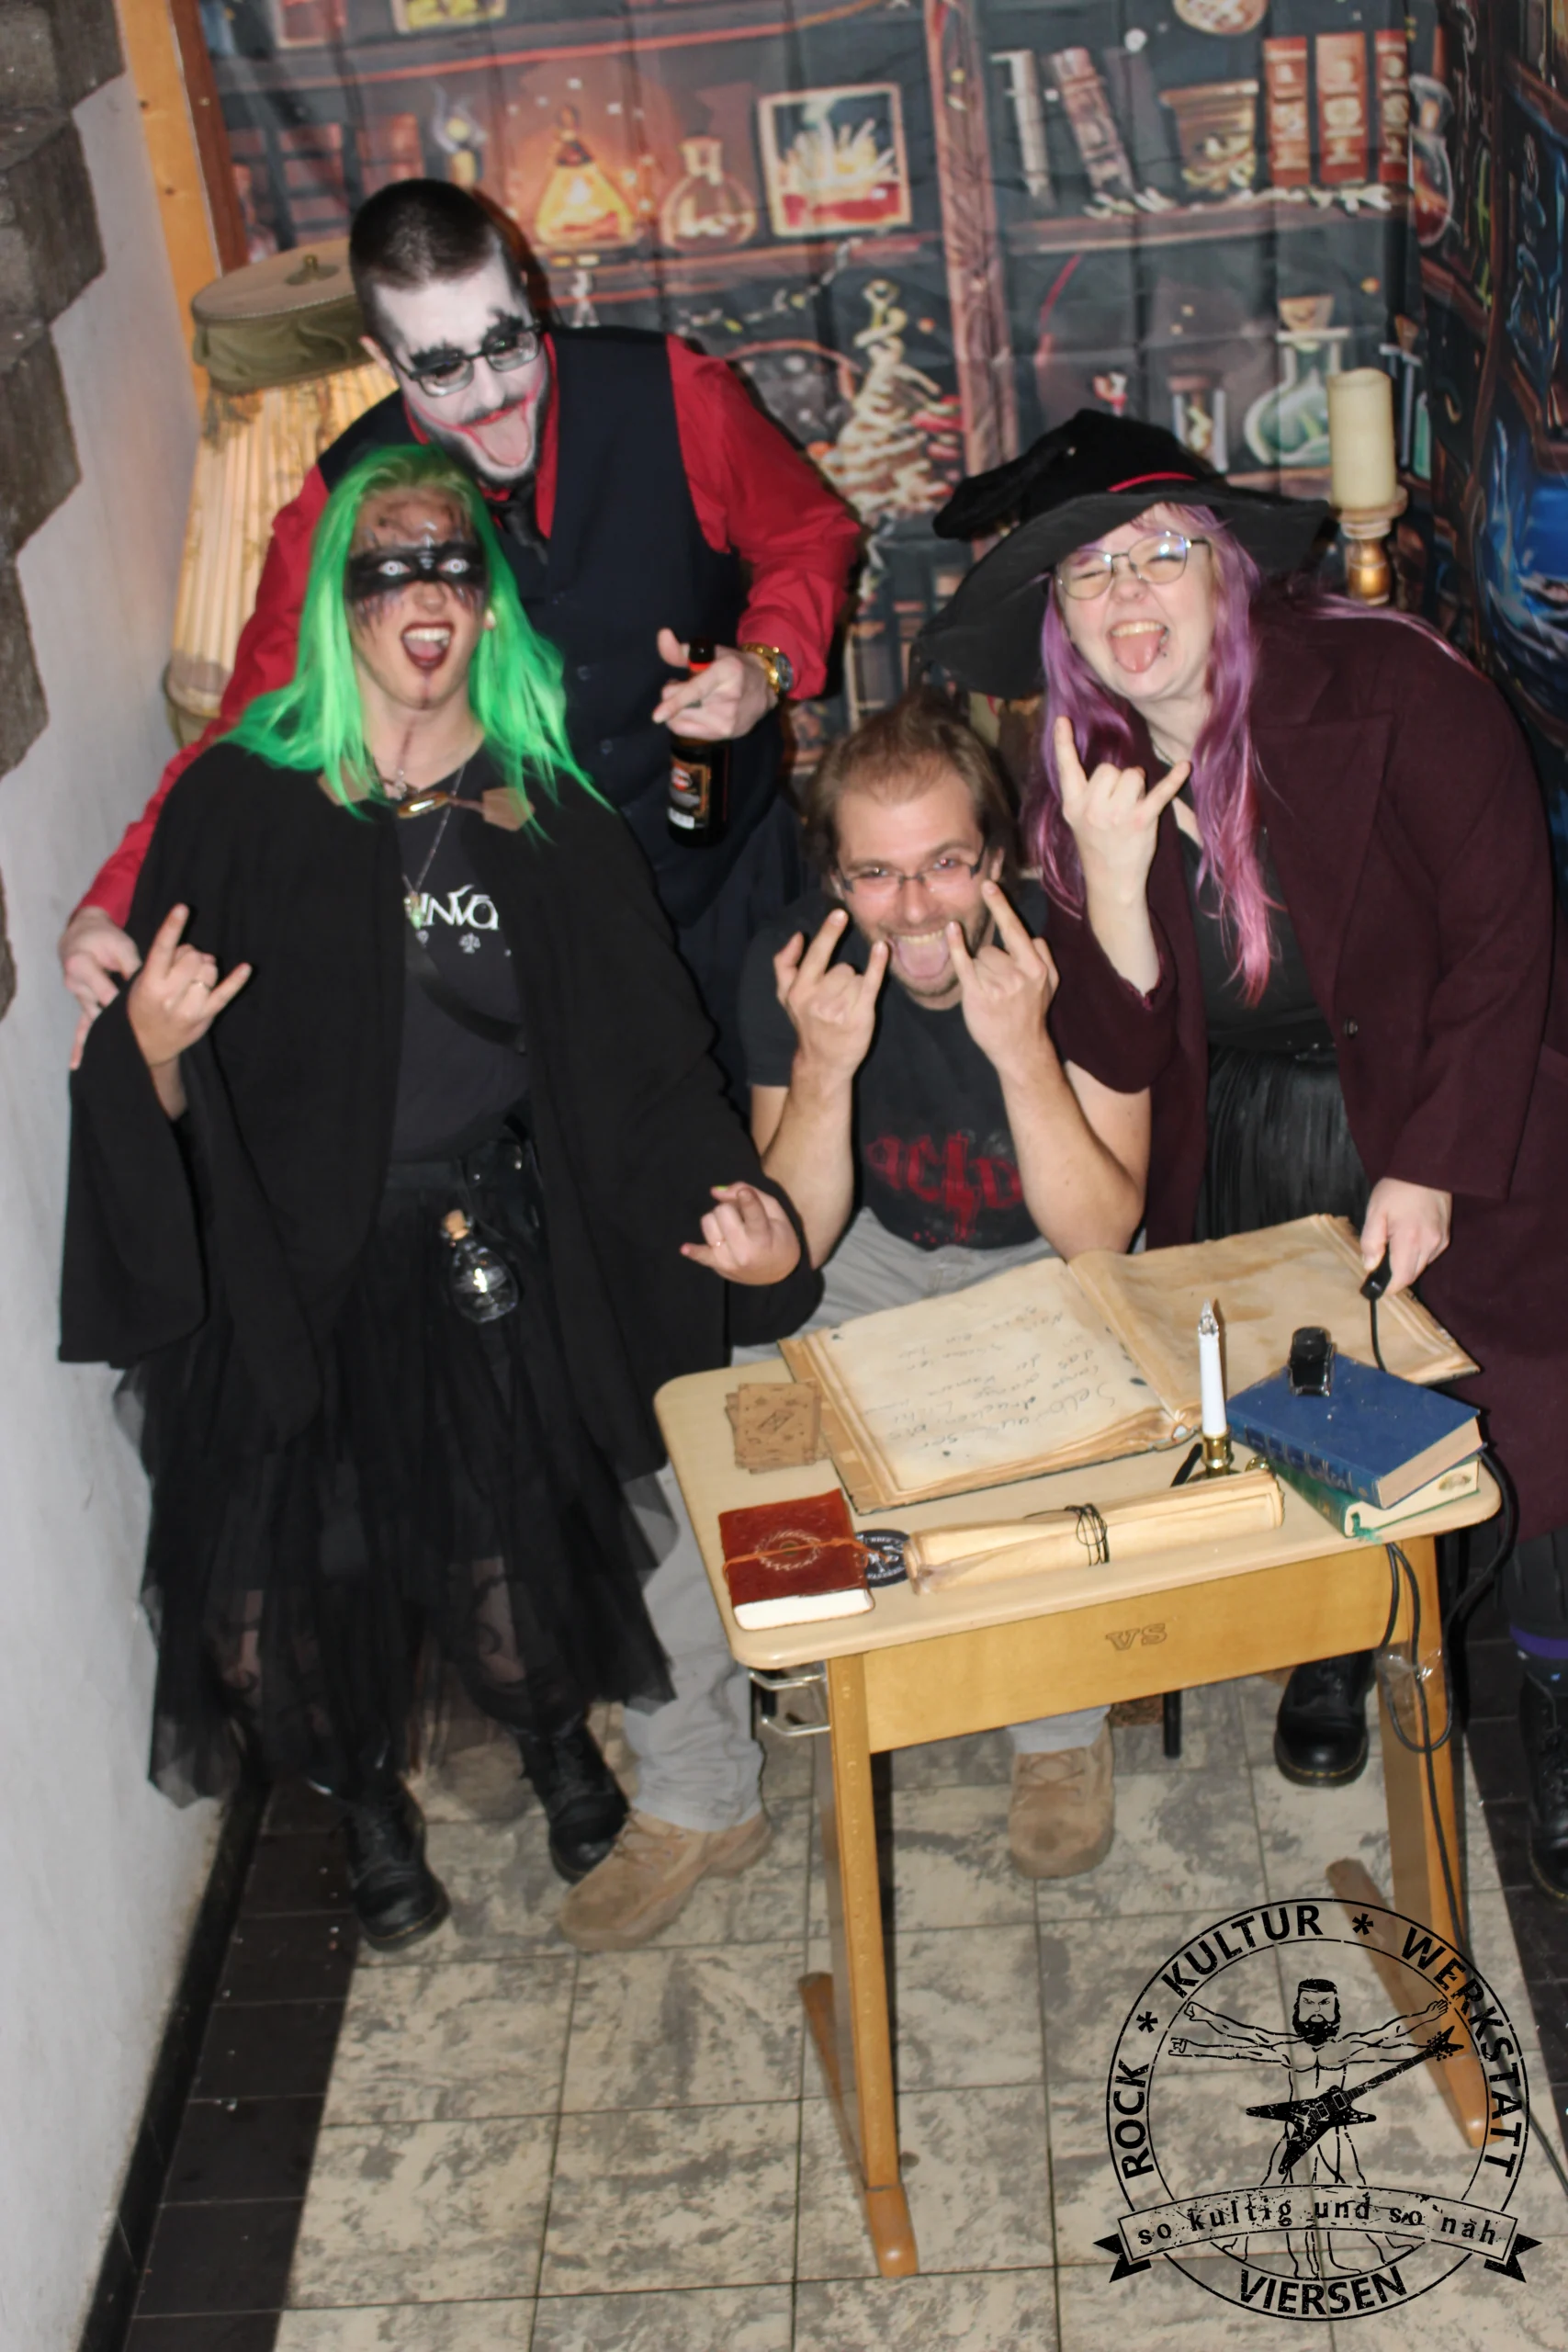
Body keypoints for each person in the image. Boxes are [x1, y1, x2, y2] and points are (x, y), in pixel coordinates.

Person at [60, 445, 819, 1950]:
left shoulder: (548, 819)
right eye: (388, 565)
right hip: (282, 1267)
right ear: (336, 599)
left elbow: (647, 1066)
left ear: (488, 607)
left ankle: (552, 1752)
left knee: (511, 1580)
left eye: (453, 565)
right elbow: (154, 1082)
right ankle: (361, 1808)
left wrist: (746, 1216)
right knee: (265, 1616)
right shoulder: (241, 802)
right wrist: (146, 1046)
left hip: (478, 1245)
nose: (425, 591)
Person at [919, 410, 1568, 1899]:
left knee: (1529, 1418)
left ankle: (1549, 1687)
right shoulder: (1075, 778)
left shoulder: (1391, 681)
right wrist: (1110, 882)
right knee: (1312, 1412)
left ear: (1222, 569)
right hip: (1259, 1140)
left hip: (1458, 1105)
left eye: (1158, 553)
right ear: (1061, 619)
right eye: (1090, 574)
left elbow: (1502, 935)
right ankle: (1334, 1641)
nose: (1128, 593)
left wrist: (1428, 1163)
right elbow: (1122, 1056)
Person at [58, 177, 860, 1087]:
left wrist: (766, 666)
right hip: (531, 924)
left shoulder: (672, 392)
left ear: (528, 292)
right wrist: (112, 902)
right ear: (381, 357)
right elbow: (250, 731)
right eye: (441, 368)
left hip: (731, 879)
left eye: (507, 342)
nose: (491, 397)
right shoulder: (343, 500)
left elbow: (808, 536)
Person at [737, 693, 1149, 1877]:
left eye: (945, 864)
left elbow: (1102, 1231)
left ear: (998, 857)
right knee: (744, 1401)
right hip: (878, 1239)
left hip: (1044, 1250)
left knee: (1058, 1421)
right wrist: (823, 1070)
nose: (915, 908)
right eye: (876, 874)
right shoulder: (798, 961)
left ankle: (1058, 1732)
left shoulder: (1077, 946)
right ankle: (818, 1663)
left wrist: (1023, 1050)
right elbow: (795, 1246)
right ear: (836, 878)